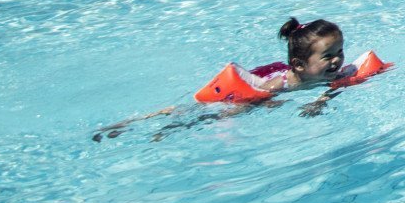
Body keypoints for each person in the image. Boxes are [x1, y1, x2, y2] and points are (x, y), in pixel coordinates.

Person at [92, 18, 356, 141]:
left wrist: (319, 101)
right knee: (216, 111)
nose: (337, 61)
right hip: (257, 87)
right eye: (328, 56)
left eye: (339, 52)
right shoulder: (284, 82)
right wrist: (266, 103)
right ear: (298, 65)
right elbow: (260, 94)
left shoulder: (331, 75)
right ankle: (137, 123)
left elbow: (334, 87)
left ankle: (166, 126)